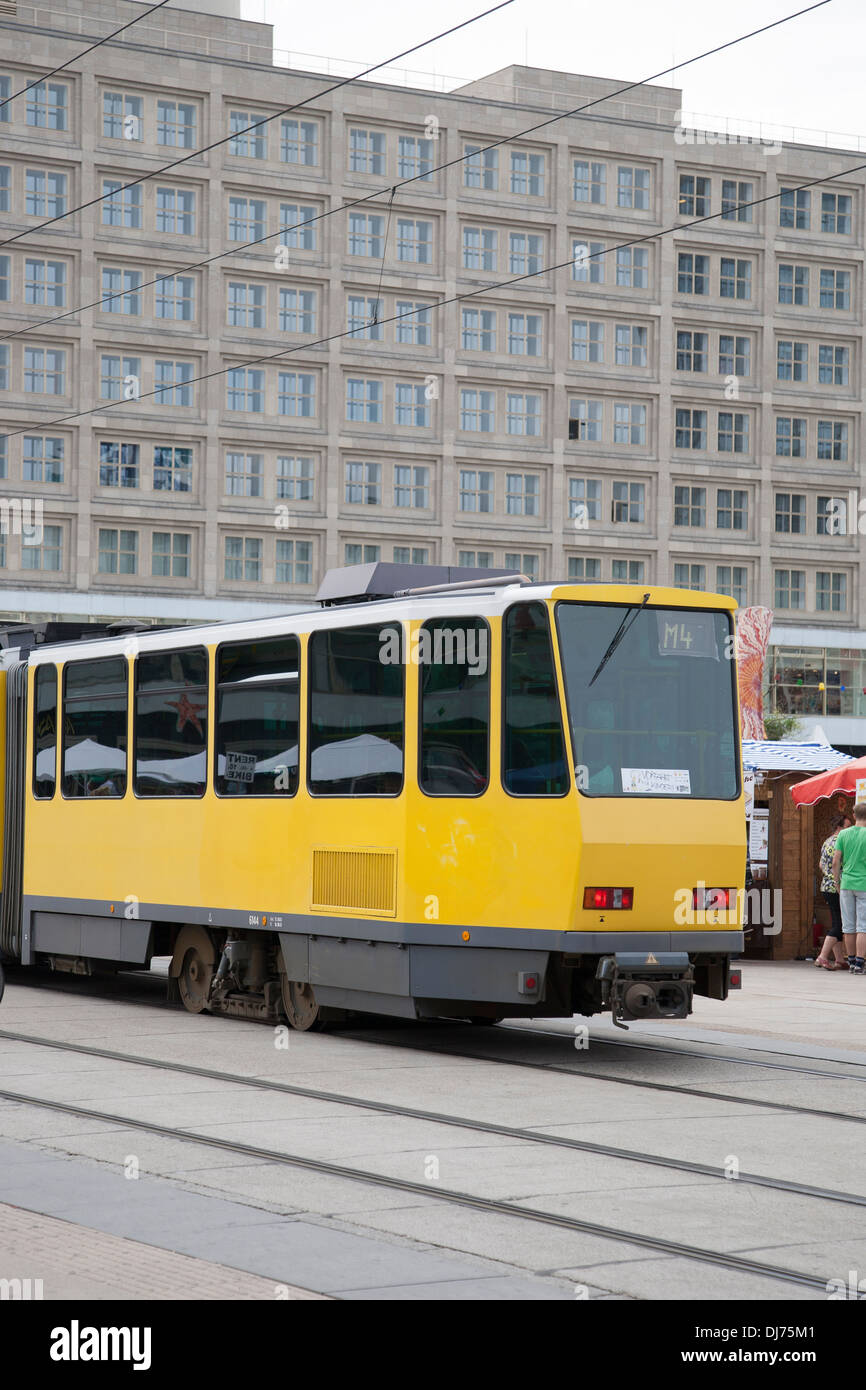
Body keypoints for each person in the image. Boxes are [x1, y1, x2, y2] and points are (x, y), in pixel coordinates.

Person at [815, 814, 852, 969]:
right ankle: (822, 957)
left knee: (837, 921)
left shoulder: (827, 841)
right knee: (840, 924)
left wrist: (828, 876)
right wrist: (837, 880)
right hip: (837, 887)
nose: (850, 829)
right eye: (847, 826)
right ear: (839, 827)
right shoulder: (841, 841)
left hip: (826, 886)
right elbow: (839, 862)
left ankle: (839, 959)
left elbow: (820, 865)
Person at [833, 803, 866, 973]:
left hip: (846, 884)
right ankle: (860, 963)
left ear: (854, 815)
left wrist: (837, 882)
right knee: (863, 926)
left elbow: (835, 861)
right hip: (864, 884)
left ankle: (851, 961)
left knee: (848, 926)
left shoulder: (843, 834)